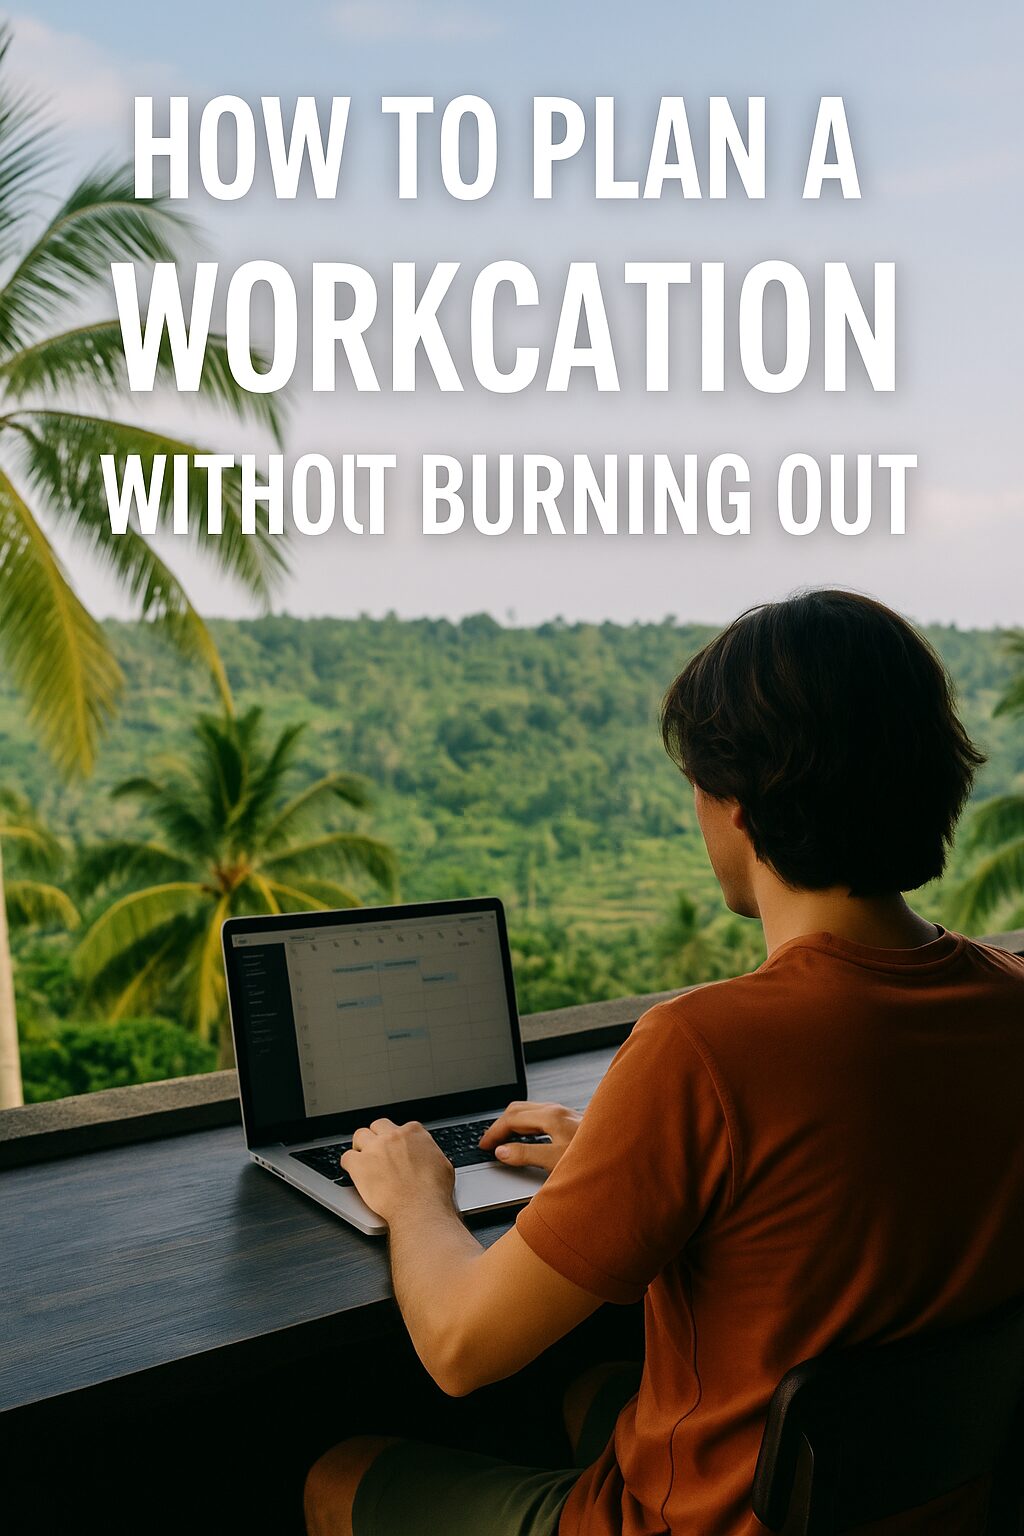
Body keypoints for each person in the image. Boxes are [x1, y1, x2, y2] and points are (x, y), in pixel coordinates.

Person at [303, 589, 1024, 1536]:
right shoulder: (1008, 999)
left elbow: (459, 1346)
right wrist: (618, 1171)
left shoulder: (705, 1047)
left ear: (738, 801)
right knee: (596, 1389)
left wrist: (416, 1198)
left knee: (337, 1474)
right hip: (934, 1505)